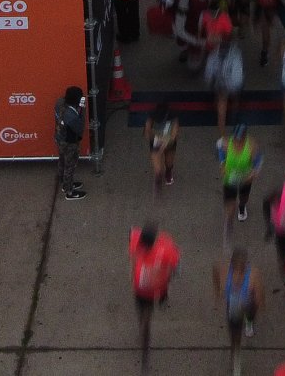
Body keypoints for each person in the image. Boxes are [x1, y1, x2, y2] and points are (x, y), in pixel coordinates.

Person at [128, 224, 179, 371]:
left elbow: (174, 266)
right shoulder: (136, 239)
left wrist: (165, 279)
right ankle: (144, 338)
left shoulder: (166, 248)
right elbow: (131, 240)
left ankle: (145, 348)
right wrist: (132, 273)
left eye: (146, 246)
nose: (144, 249)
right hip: (140, 290)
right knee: (144, 319)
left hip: (155, 289)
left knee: (147, 318)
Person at [214, 247, 261, 374]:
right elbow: (215, 274)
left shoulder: (253, 275)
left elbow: (259, 297)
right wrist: (218, 291)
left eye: (242, 267)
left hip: (248, 304)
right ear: (232, 264)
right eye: (236, 267)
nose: (239, 271)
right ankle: (236, 359)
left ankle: (249, 321)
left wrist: (254, 302)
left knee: (251, 315)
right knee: (235, 337)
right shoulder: (223, 271)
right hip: (233, 307)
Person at [219, 123, 262, 224]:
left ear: (245, 137)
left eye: (240, 139)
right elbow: (220, 152)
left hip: (245, 177)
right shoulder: (226, 143)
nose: (237, 142)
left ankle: (242, 207)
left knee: (244, 197)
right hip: (230, 178)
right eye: (235, 138)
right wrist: (222, 164)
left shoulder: (251, 145)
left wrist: (254, 172)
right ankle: (229, 219)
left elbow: (259, 159)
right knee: (229, 201)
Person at [54, 85, 87, 200]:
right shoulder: (72, 116)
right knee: (70, 166)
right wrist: (82, 110)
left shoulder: (59, 103)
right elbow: (80, 128)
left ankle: (64, 182)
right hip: (70, 143)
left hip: (59, 138)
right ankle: (69, 192)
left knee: (62, 161)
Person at [148, 100, 178, 193]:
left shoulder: (173, 117)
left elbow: (174, 134)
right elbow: (147, 131)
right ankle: (158, 183)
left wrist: (167, 140)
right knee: (158, 170)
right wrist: (156, 137)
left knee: (169, 163)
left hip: (169, 143)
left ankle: (168, 171)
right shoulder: (151, 116)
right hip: (156, 141)